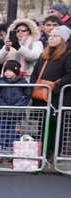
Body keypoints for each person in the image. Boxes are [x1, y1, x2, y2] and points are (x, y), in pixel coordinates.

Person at [28, 25, 71, 156]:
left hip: (59, 97)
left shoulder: (68, 54)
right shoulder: (44, 55)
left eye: (55, 36)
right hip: (42, 96)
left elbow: (69, 75)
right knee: (43, 126)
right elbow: (35, 73)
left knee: (56, 126)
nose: (51, 38)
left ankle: (54, 154)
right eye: (50, 35)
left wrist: (55, 89)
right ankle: (43, 154)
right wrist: (34, 86)